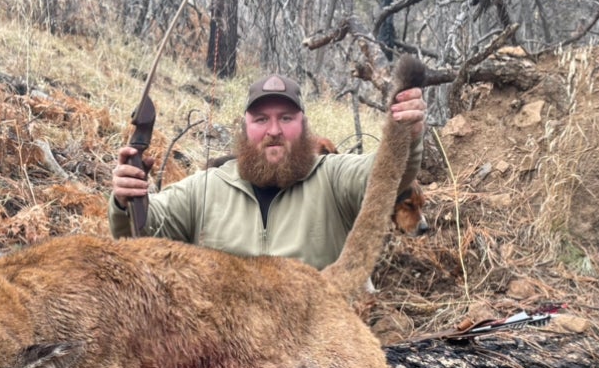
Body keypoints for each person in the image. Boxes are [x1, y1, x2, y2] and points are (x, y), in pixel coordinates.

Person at [109, 72, 426, 270]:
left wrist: (404, 138)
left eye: (286, 118)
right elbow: (142, 232)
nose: (273, 130)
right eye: (261, 120)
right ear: (245, 128)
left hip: (316, 348)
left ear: (303, 126)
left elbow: (387, 175)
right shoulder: (205, 189)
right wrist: (127, 200)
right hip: (226, 355)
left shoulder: (333, 178)